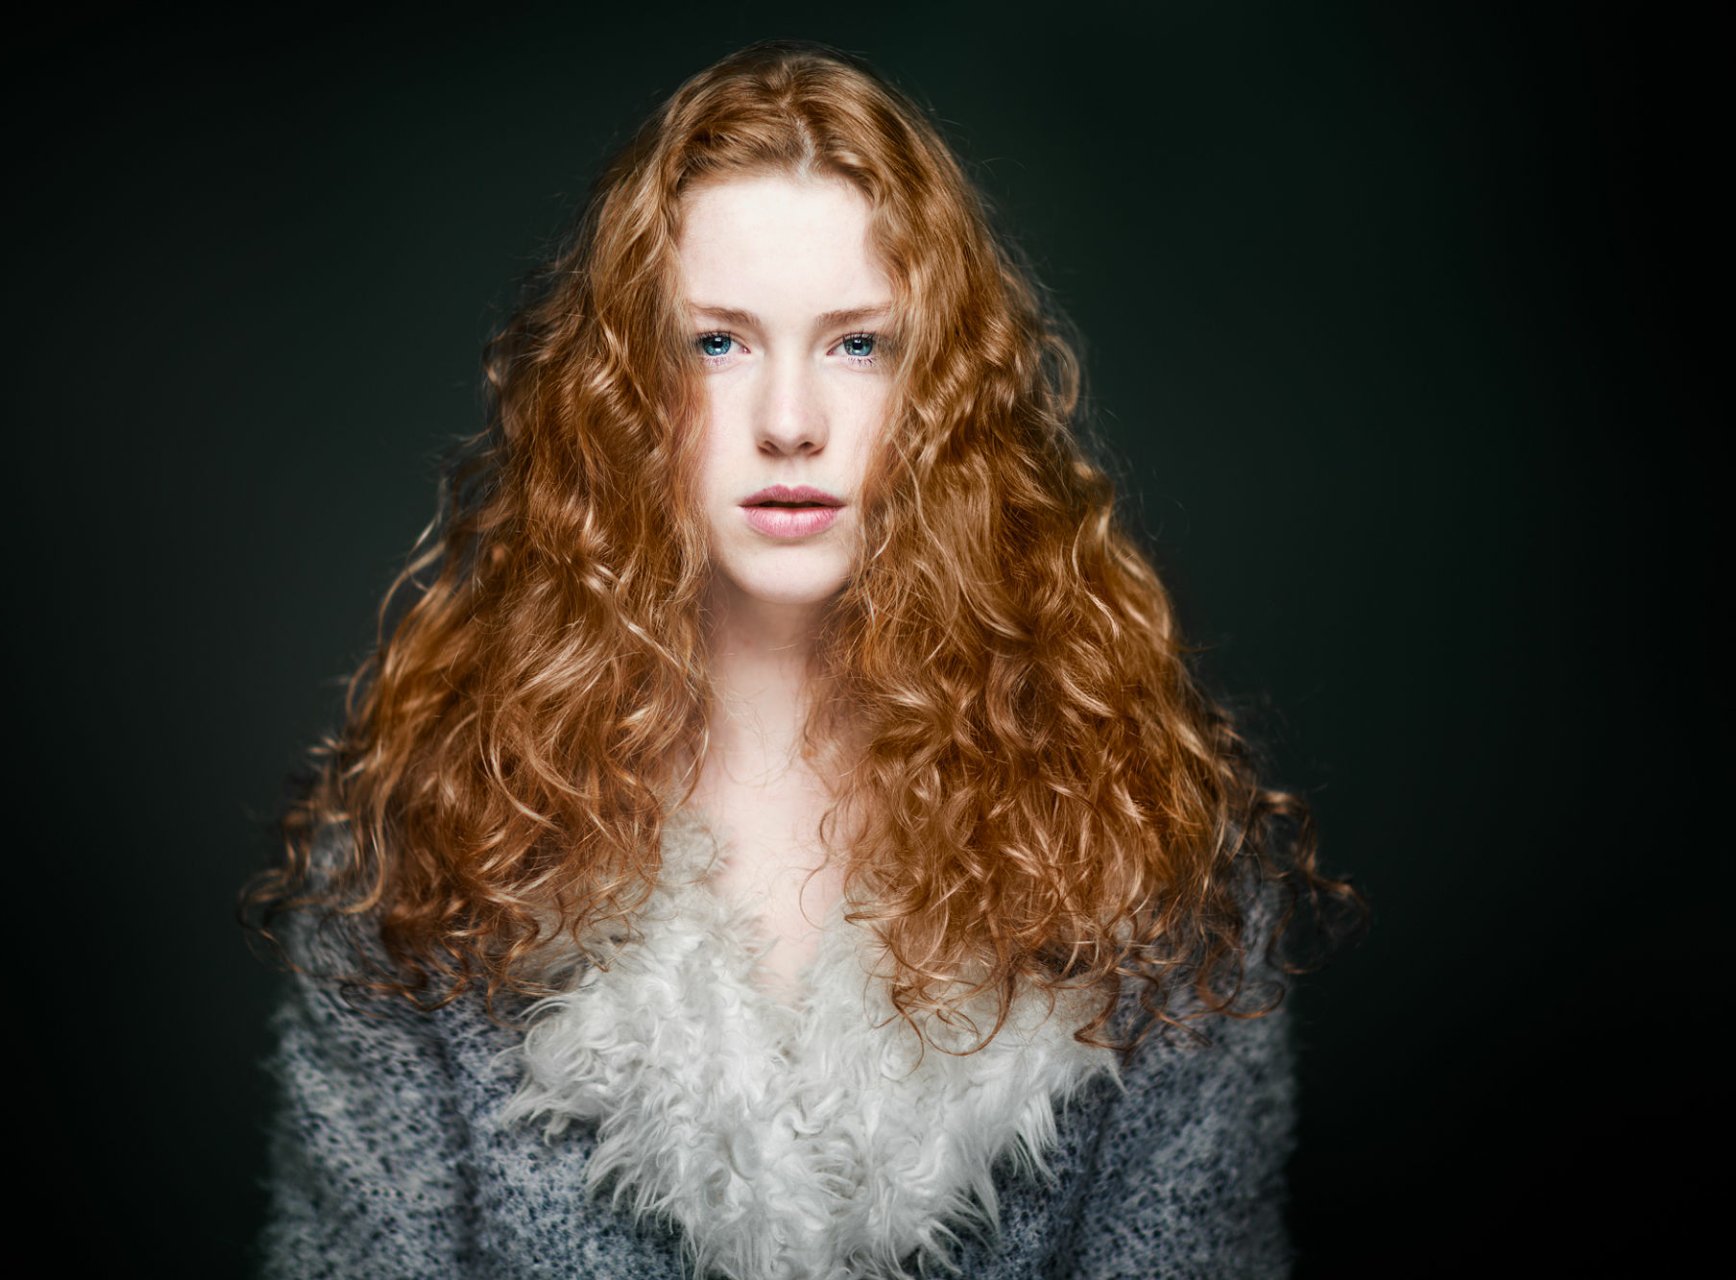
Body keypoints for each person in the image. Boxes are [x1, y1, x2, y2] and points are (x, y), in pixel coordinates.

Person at [241, 38, 1361, 1280]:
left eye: (858, 344)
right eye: (716, 343)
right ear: (621, 389)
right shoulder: (431, 842)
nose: (789, 419)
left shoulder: (1151, 853)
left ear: (946, 388)